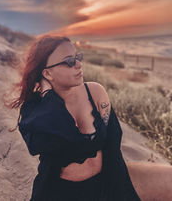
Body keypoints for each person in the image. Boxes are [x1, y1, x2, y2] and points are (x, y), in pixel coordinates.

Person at [9, 34, 142, 201]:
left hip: (104, 187)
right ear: (48, 73)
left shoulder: (95, 93)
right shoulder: (34, 111)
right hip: (58, 193)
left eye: (77, 57)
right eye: (69, 61)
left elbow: (113, 146)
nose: (79, 64)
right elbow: (74, 145)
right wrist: (49, 97)